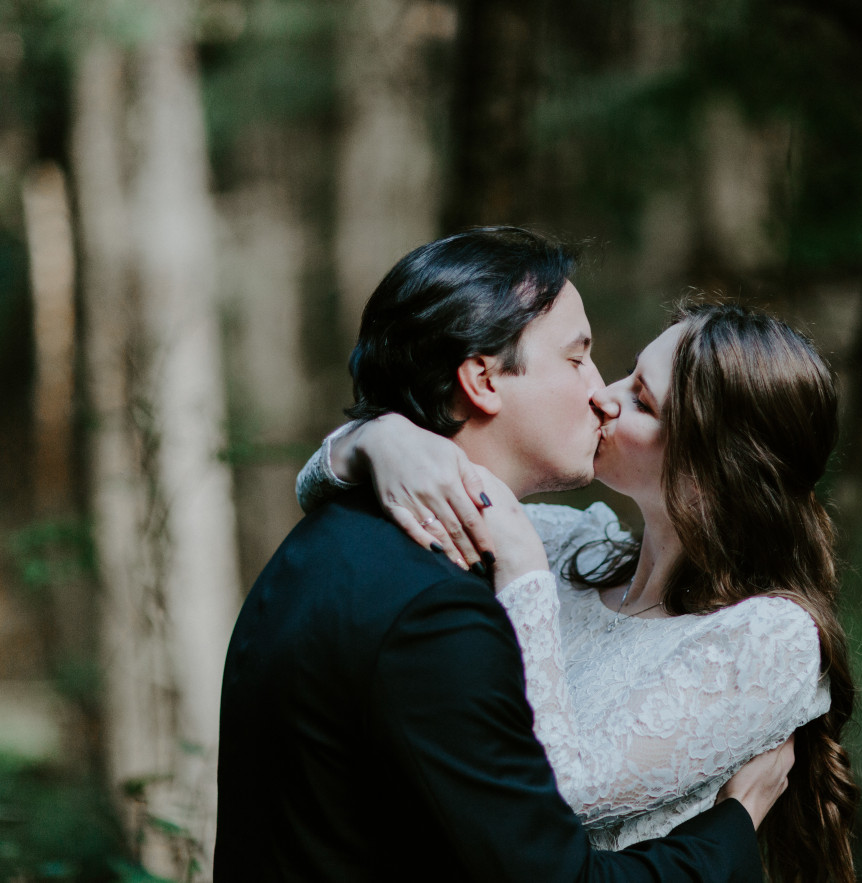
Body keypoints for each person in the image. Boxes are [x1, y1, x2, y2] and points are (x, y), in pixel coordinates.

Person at [214, 226, 793, 883]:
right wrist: (732, 824)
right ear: (483, 379)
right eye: (576, 358)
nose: (598, 392)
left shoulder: (328, 539)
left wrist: (368, 438)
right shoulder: (434, 610)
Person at [301, 300, 860, 882]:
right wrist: (378, 439)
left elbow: (549, 794)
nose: (604, 397)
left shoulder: (767, 640)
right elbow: (336, 493)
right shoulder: (571, 545)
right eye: (628, 372)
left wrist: (521, 574)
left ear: (713, 469)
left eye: (642, 401)